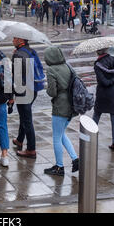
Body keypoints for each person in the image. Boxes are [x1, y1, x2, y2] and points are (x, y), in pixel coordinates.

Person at [43, 46, 79, 176]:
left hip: (60, 106)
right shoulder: (67, 66)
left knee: (56, 138)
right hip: (71, 105)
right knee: (62, 134)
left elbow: (52, 92)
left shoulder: (51, 70)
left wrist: (46, 88)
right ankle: (75, 159)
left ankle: (59, 167)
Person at [11, 38, 38, 159]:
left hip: (23, 90)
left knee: (27, 120)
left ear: (20, 40)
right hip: (33, 88)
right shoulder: (31, 51)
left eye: (14, 38)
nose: (12, 40)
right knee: (24, 115)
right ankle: (19, 140)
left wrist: (11, 95)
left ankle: (31, 149)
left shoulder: (18, 54)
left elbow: (15, 76)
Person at [92, 48, 114, 152]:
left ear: (98, 52)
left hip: (103, 95)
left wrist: (113, 80)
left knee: (96, 115)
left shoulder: (98, 64)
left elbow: (104, 82)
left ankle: (90, 139)